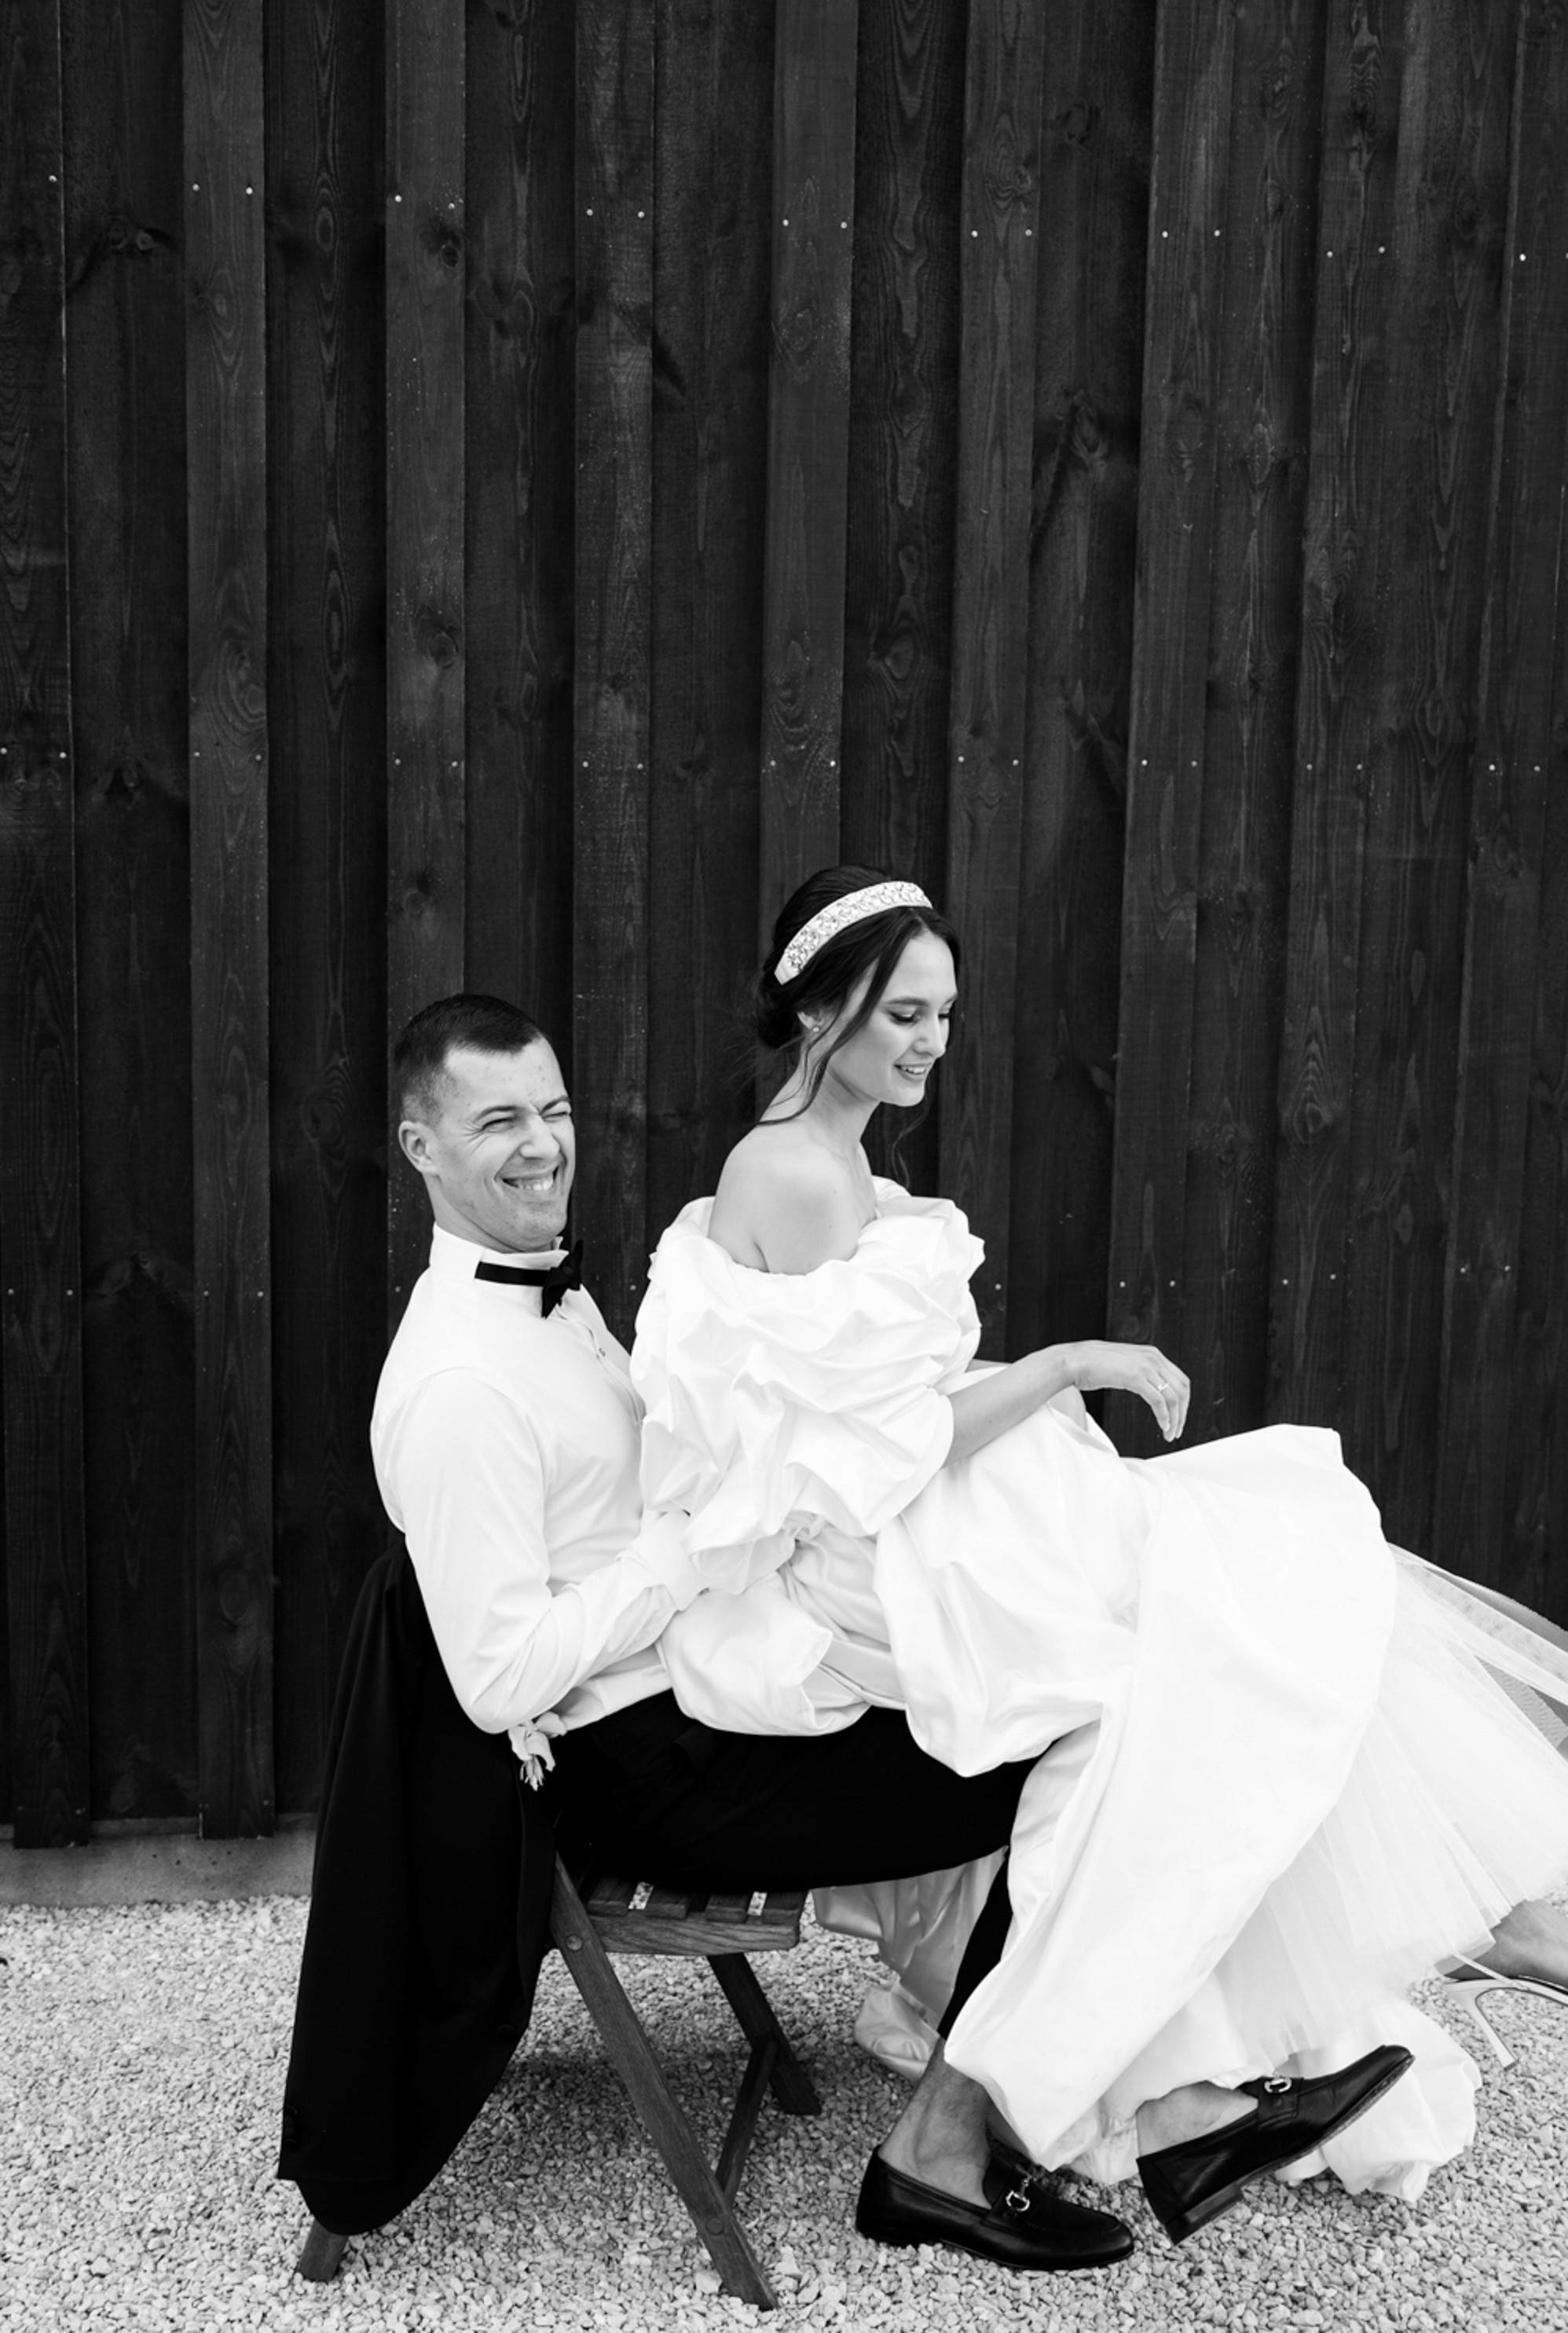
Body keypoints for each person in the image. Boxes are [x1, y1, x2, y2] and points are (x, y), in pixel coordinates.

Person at [629, 866, 1568, 2243]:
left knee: (1243, 1593)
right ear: (819, 1005)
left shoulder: (825, 1155)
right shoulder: (796, 1172)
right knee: (1209, 1635)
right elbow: (892, 1442)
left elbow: (865, 1393)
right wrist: (1075, 1359)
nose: (929, 1044)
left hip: (913, 1513)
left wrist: (1033, 1388)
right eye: (901, 1014)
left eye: (945, 1015)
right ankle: (1161, 2092)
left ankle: (1177, 2086)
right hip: (879, 1558)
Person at [299, 991, 1138, 2272]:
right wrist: (687, 1545)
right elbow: (495, 1678)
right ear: (420, 1149)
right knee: (1087, 1744)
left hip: (713, 1692)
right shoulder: (460, 1384)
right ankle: (942, 2152)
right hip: (658, 1776)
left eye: (557, 1110)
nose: (543, 1145)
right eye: (499, 1123)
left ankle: (1101, 2067)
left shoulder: (547, 1296)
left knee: (1040, 1642)